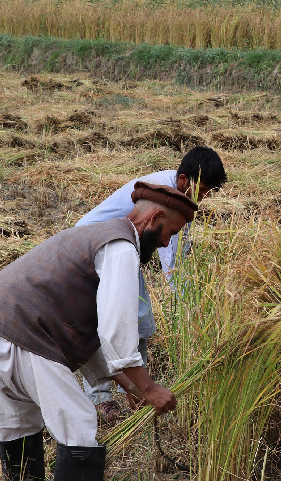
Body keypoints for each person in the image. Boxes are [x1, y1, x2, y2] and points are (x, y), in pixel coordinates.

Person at [0, 182, 195, 481]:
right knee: (79, 422)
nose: (167, 243)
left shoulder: (96, 235)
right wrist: (149, 387)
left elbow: (85, 338)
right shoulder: (121, 247)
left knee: (19, 420)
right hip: (26, 333)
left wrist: (129, 385)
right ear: (154, 218)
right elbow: (116, 329)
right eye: (170, 232)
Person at [75, 146, 227, 422]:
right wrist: (188, 304)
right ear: (184, 180)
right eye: (203, 190)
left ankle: (136, 390)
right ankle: (101, 399)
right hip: (97, 248)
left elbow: (175, 247)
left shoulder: (178, 190)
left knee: (141, 321)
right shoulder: (166, 196)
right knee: (104, 322)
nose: (203, 198)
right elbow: (172, 259)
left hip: (124, 248)